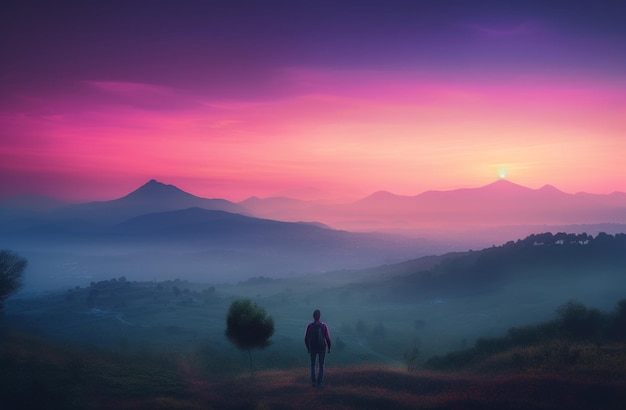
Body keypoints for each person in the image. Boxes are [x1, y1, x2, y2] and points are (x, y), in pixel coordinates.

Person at [304, 309, 331, 388]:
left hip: (313, 347)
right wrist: (329, 348)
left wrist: (308, 348)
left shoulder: (310, 326)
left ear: (313, 316)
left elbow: (306, 338)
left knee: (313, 365)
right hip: (322, 347)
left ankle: (314, 382)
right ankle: (320, 383)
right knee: (321, 364)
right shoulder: (323, 326)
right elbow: (327, 338)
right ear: (319, 316)